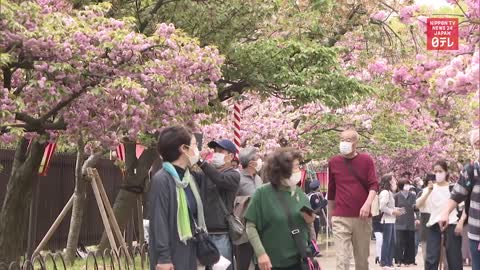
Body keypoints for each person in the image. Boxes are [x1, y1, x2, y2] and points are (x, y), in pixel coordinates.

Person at [244, 148, 316, 270]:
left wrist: (310, 221)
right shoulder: (262, 193)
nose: (299, 171)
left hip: (299, 261)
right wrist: (261, 254)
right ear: (282, 169)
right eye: (296, 167)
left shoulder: (299, 193)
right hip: (271, 263)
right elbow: (250, 226)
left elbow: (309, 225)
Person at [148, 126, 207, 270]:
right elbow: (159, 221)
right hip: (171, 258)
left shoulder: (189, 178)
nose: (197, 149)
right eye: (194, 145)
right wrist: (164, 258)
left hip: (191, 253)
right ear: (184, 149)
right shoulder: (162, 180)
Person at [327, 129, 379, 270]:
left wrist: (367, 205)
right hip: (340, 217)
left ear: (356, 142)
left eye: (349, 140)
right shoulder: (333, 162)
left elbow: (374, 185)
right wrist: (329, 215)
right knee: (341, 261)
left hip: (362, 218)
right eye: (342, 139)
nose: (344, 143)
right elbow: (331, 191)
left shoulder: (366, 160)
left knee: (361, 262)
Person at [439, 128, 480, 269]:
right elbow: (457, 194)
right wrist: (445, 213)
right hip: (476, 234)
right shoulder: (470, 170)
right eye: (477, 144)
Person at [197, 139, 241, 270]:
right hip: (204, 235)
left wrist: (201, 162)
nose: (216, 154)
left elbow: (219, 179)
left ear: (231, 156)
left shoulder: (233, 175)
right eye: (215, 151)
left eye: (221, 151)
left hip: (221, 235)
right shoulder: (206, 175)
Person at [417, 160, 463, 270]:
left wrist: (460, 223)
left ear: (446, 172)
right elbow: (418, 205)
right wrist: (428, 191)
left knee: (454, 259)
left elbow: (463, 206)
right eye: (435, 171)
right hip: (434, 225)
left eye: (440, 171)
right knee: (431, 259)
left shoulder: (453, 188)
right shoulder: (429, 188)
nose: (438, 173)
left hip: (451, 224)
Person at [235, 147, 263, 270]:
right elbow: (232, 202)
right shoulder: (237, 178)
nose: (260, 160)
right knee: (243, 264)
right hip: (243, 230)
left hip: (260, 229)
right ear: (251, 163)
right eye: (257, 158)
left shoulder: (258, 178)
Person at [378, 174, 403, 270]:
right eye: (393, 180)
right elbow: (382, 207)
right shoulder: (385, 192)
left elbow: (390, 206)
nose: (395, 181)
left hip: (391, 220)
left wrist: (397, 209)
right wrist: (393, 211)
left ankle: (389, 263)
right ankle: (384, 263)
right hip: (387, 220)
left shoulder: (389, 192)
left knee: (392, 242)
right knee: (387, 242)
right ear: (389, 181)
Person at [393, 179, 416, 267]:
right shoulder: (397, 196)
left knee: (410, 241)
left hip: (410, 221)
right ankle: (398, 260)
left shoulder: (413, 195)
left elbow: (415, 207)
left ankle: (408, 260)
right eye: (405, 184)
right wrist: (401, 211)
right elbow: (393, 208)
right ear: (401, 185)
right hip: (400, 221)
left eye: (408, 184)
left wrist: (416, 217)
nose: (407, 186)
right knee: (399, 242)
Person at [416, 176, 431, 262]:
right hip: (425, 221)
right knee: (426, 253)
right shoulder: (422, 192)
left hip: (437, 222)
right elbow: (416, 206)